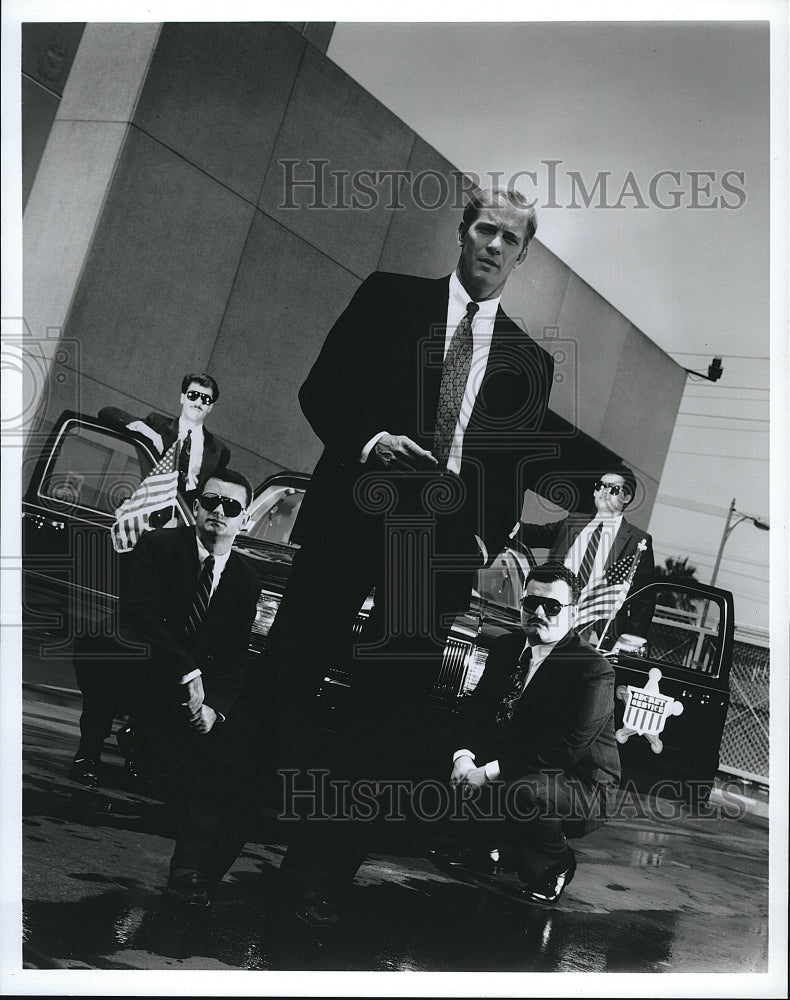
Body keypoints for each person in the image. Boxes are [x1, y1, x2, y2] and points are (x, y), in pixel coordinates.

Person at [266, 188, 555, 925]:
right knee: (283, 684)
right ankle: (210, 849)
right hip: (354, 515)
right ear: (462, 233)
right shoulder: (392, 299)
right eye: (484, 228)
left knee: (384, 716)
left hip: (436, 551)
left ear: (523, 253)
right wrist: (370, 440)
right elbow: (321, 389)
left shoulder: (528, 360)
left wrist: (482, 542)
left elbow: (511, 470)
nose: (493, 245)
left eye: (510, 238)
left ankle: (321, 870)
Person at [69, 470, 259, 819]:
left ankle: (142, 740)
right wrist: (188, 671)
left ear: (245, 519)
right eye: (211, 501)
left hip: (188, 685)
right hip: (142, 661)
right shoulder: (160, 544)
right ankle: (89, 749)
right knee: (107, 642)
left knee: (165, 773)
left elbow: (235, 656)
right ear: (198, 507)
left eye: (231, 506)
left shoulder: (246, 581)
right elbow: (139, 615)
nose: (219, 511)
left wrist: (214, 709)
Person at [450, 563, 620, 905]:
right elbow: (479, 712)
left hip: (581, 785)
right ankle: (486, 847)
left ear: (573, 612)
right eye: (531, 603)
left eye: (553, 607)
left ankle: (554, 866)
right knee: (437, 748)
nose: (539, 612)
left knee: (523, 792)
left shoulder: (592, 669)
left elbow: (566, 748)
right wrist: (464, 757)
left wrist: (488, 771)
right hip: (526, 765)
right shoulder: (507, 648)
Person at [518, 466, 655, 641]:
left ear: (627, 497)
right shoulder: (573, 522)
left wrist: (633, 641)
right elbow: (532, 534)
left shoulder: (637, 541)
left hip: (595, 632)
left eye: (613, 489)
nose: (604, 492)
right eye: (600, 486)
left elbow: (643, 601)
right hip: (551, 618)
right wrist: (505, 522)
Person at [100, 373, 230, 502]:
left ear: (210, 407)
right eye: (193, 396)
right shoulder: (157, 425)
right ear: (182, 398)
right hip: (149, 511)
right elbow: (107, 413)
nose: (198, 403)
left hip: (186, 518)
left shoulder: (219, 450)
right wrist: (148, 432)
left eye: (205, 399)